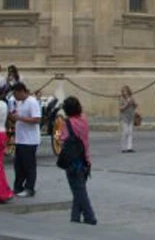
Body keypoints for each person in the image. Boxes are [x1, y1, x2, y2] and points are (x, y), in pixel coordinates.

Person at [59, 96, 97, 225]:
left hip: (73, 162)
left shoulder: (67, 123)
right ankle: (75, 217)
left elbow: (63, 140)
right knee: (79, 189)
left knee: (79, 191)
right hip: (86, 159)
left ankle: (89, 216)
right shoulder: (84, 120)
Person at [11, 82, 41, 197]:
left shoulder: (32, 102)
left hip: (30, 140)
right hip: (20, 139)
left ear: (21, 91)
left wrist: (20, 118)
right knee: (18, 165)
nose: (14, 96)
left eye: (15, 93)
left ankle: (30, 187)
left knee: (29, 165)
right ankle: (18, 186)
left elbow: (37, 119)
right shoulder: (20, 102)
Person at [119, 86, 138, 153]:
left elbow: (135, 106)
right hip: (124, 117)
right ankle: (123, 147)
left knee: (130, 132)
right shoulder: (121, 99)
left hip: (131, 117)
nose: (125, 93)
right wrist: (127, 104)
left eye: (126, 91)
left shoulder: (132, 98)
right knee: (125, 132)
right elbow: (120, 109)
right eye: (124, 91)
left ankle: (129, 147)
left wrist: (133, 103)